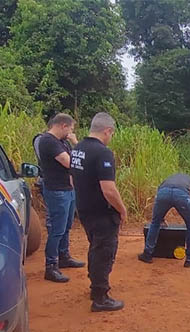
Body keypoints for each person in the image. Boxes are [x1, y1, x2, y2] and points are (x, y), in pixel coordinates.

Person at [71, 112, 126, 312]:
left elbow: (73, 179)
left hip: (85, 209)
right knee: (104, 251)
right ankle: (101, 297)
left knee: (95, 248)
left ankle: (96, 287)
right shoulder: (103, 152)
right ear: (107, 131)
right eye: (111, 134)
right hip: (102, 212)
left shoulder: (78, 148)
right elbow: (109, 189)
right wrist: (122, 209)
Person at [35, 113, 84, 283]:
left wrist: (74, 145)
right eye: (70, 128)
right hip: (57, 190)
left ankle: (64, 256)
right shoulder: (48, 141)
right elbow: (70, 162)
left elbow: (75, 161)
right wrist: (76, 145)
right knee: (57, 229)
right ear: (63, 125)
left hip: (68, 189)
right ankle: (51, 266)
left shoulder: (61, 142)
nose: (71, 132)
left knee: (66, 226)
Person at [137, 173, 190, 267]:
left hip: (163, 192)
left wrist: (161, 218)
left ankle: (147, 254)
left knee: (155, 223)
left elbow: (160, 192)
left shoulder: (169, 179)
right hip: (182, 194)